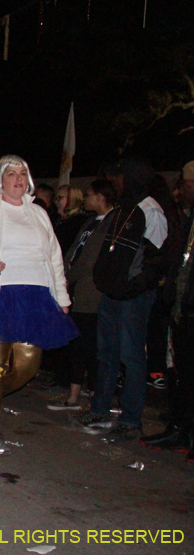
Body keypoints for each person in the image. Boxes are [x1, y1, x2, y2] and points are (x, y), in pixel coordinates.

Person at [0, 155, 77, 455]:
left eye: (23, 173)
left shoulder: (39, 214)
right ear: (0, 179)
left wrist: (62, 297)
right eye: (12, 173)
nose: (18, 179)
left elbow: (54, 257)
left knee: (28, 365)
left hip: (35, 296)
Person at [76, 157, 168, 441]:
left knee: (131, 357)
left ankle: (130, 419)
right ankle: (101, 409)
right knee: (107, 354)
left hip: (132, 298)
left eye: (119, 177)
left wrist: (132, 288)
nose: (115, 182)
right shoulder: (124, 209)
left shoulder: (150, 210)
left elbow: (157, 260)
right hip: (112, 294)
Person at [140, 161, 194, 461]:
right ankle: (180, 427)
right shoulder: (188, 219)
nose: (180, 191)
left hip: (190, 309)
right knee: (181, 373)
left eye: (185, 186)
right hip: (182, 309)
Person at [48, 180, 115, 411]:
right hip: (77, 291)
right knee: (78, 345)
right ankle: (74, 395)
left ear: (100, 197)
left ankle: (95, 399)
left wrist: (67, 277)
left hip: (92, 294)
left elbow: (89, 260)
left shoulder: (110, 223)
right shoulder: (90, 222)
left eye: (89, 195)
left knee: (91, 347)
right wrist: (62, 274)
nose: (86, 199)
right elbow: (73, 251)